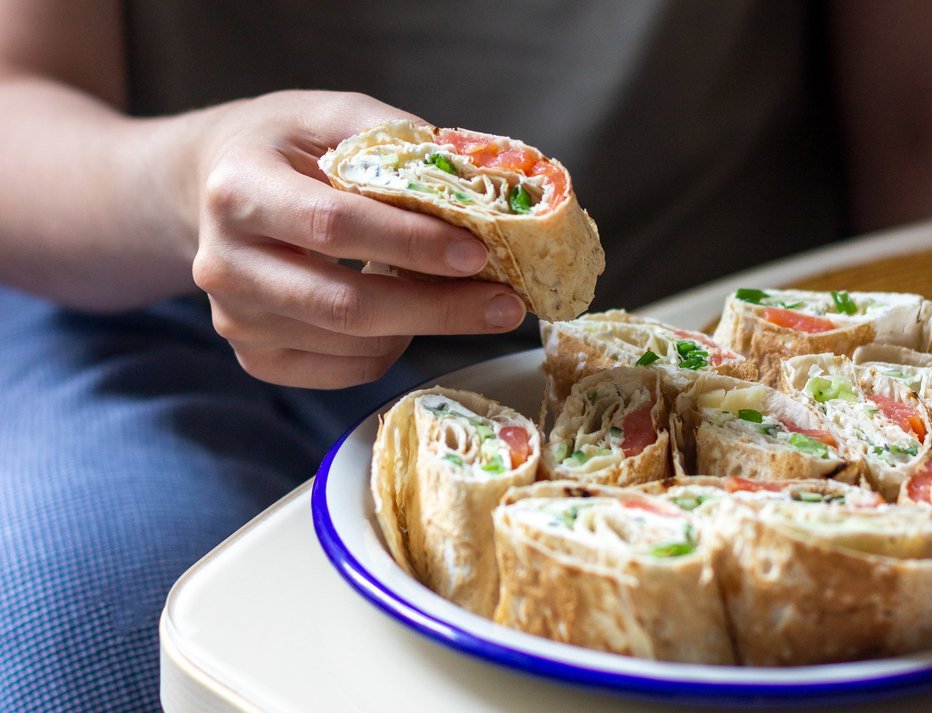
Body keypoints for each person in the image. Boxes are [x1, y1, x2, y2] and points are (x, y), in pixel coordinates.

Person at [0, 1, 930, 710]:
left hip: (694, 330)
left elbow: (909, 126)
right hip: (167, 313)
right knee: (72, 626)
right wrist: (189, 178)